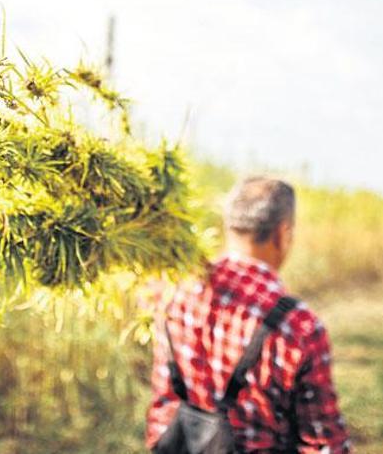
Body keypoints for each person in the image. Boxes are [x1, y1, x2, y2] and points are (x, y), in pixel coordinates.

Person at [145, 176, 351, 453]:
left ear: (228, 226)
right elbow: (323, 443)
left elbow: (163, 403)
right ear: (283, 234)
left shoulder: (172, 294)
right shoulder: (299, 327)